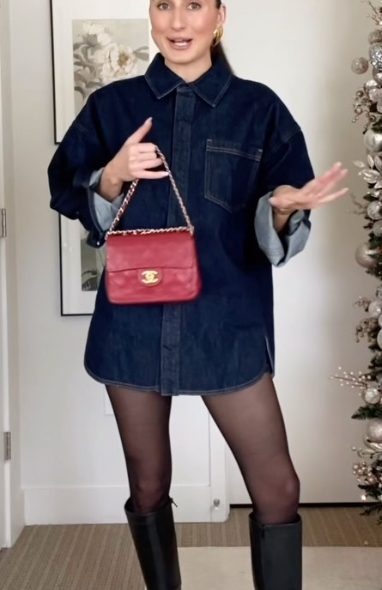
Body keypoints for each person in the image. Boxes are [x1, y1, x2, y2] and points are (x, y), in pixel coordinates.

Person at [48, 1, 348, 589]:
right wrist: (111, 176)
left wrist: (282, 209)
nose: (178, 21)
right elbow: (67, 189)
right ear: (150, 15)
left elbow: (281, 219)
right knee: (148, 483)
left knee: (278, 488)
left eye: (194, 5)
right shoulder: (111, 106)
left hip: (226, 321)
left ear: (219, 16)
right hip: (131, 327)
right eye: (164, 5)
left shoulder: (259, 109)